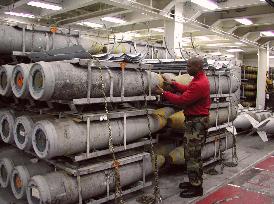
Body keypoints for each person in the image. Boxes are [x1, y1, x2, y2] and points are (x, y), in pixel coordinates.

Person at [155, 56, 211, 198]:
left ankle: (197, 187)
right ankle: (194, 182)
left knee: (192, 156)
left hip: (196, 124)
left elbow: (182, 101)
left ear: (198, 67)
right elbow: (188, 89)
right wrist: (174, 85)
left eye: (189, 66)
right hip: (195, 122)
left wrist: (163, 93)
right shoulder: (198, 80)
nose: (187, 69)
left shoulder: (200, 83)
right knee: (191, 154)